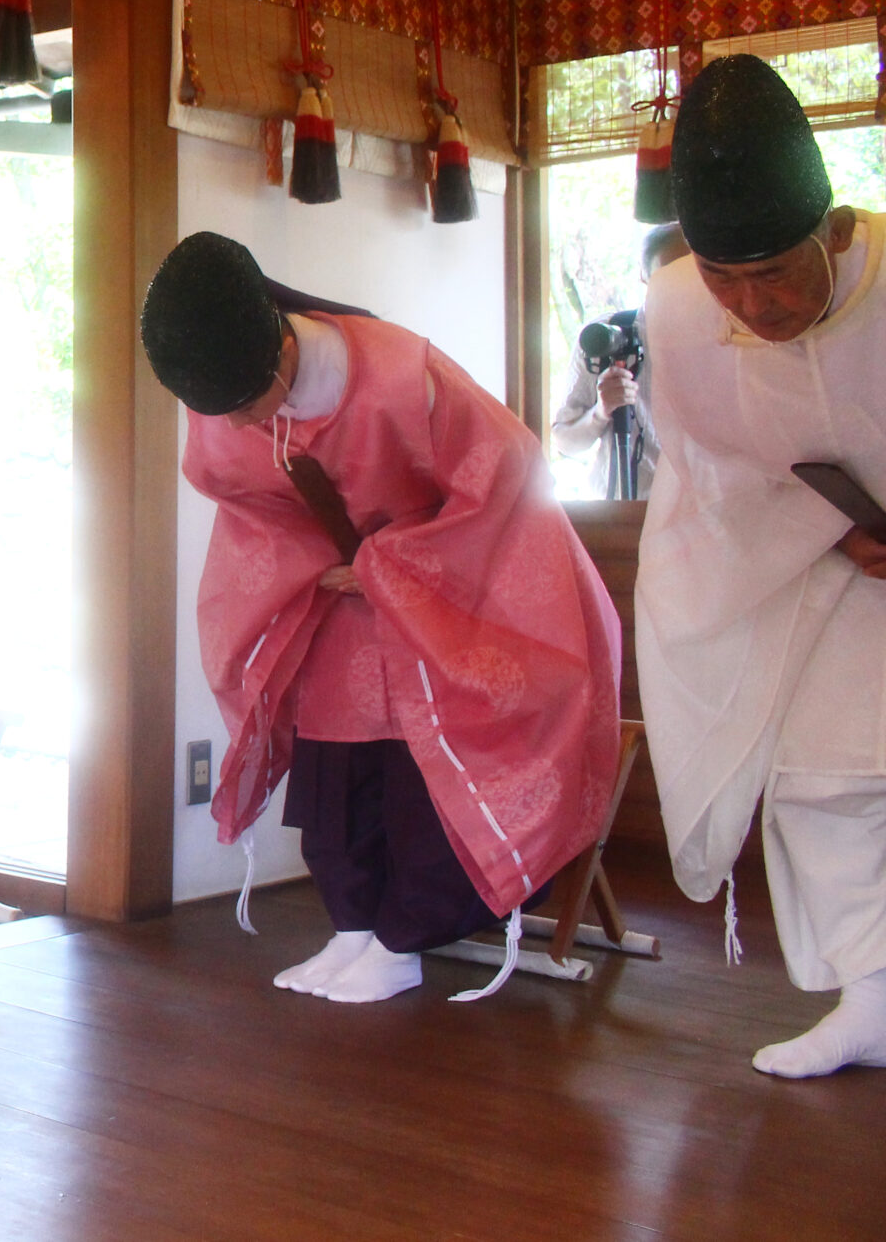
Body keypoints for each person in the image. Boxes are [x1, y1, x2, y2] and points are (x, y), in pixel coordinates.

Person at [144, 233, 623, 1003]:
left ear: (278, 352)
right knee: (336, 774)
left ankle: (403, 940)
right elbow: (246, 506)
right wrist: (315, 566)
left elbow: (505, 478)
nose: (233, 424)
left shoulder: (404, 375)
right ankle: (354, 927)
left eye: (242, 404)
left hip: (441, 602)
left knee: (420, 777)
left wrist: (393, 566)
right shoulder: (223, 403)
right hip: (338, 600)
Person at [635, 53, 886, 1079]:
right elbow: (709, 473)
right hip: (830, 567)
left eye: (775, 270)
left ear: (833, 233)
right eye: (721, 273)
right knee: (822, 780)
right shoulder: (680, 309)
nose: (750, 302)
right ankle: (871, 999)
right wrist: (832, 533)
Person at [551, 223, 689, 498]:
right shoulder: (606, 337)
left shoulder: (727, 337)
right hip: (620, 511)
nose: (680, 285)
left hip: (700, 518)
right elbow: (565, 442)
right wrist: (602, 411)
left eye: (690, 274)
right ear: (644, 275)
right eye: (668, 275)